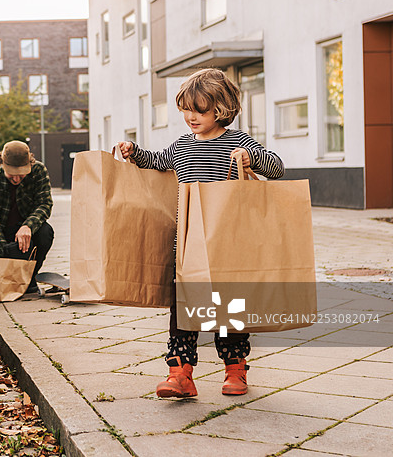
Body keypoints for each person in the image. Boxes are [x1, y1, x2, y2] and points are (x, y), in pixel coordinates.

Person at [117, 68, 284, 398]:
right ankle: (180, 373)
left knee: (229, 308)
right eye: (186, 109)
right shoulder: (181, 146)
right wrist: (134, 152)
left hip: (229, 243)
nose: (190, 116)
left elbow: (277, 167)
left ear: (221, 108)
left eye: (200, 110)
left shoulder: (238, 141)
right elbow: (156, 160)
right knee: (182, 309)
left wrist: (253, 159)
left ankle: (235, 368)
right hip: (187, 242)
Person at [0, 140, 54, 294]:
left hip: (26, 234)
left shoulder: (38, 171)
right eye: (12, 174)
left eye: (21, 174)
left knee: (46, 232)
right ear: (1, 164)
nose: (16, 179)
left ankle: (29, 278)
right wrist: (5, 252)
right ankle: (1, 277)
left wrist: (28, 226)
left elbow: (45, 204)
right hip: (2, 235)